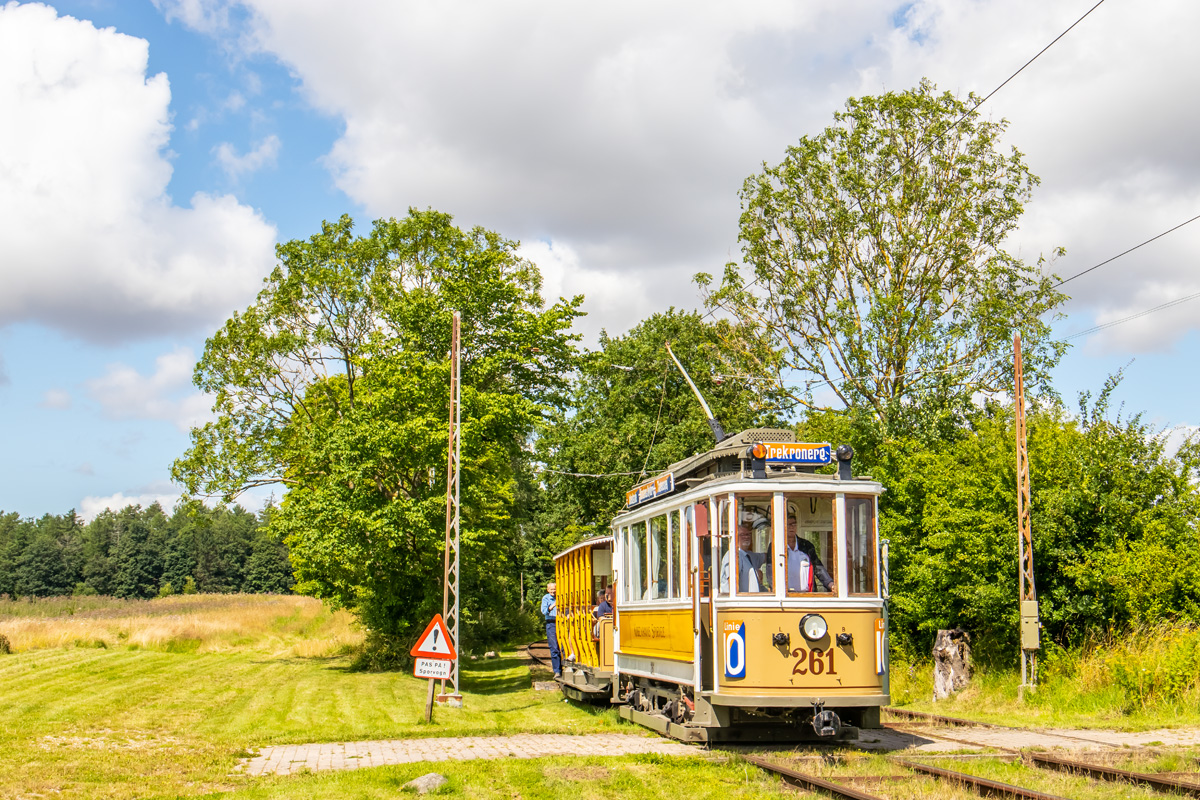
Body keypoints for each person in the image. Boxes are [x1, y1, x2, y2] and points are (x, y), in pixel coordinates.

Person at [720, 514, 770, 593]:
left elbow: (768, 557)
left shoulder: (750, 556)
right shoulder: (732, 555)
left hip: (751, 601)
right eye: (742, 535)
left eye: (748, 534)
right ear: (735, 537)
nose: (746, 537)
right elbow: (732, 583)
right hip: (740, 602)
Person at [786, 512, 834, 592]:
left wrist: (830, 584)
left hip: (807, 596)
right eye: (788, 524)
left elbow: (818, 568)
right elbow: (771, 571)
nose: (791, 527)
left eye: (794, 524)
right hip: (786, 598)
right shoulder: (777, 547)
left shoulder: (806, 546)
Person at [540, 581, 561, 677]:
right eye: (551, 589)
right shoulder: (546, 598)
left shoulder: (561, 596)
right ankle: (557, 671)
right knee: (554, 647)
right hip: (551, 623)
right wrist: (554, 605)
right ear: (548, 590)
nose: (553, 591)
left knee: (562, 646)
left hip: (561, 622)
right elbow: (544, 611)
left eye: (555, 589)